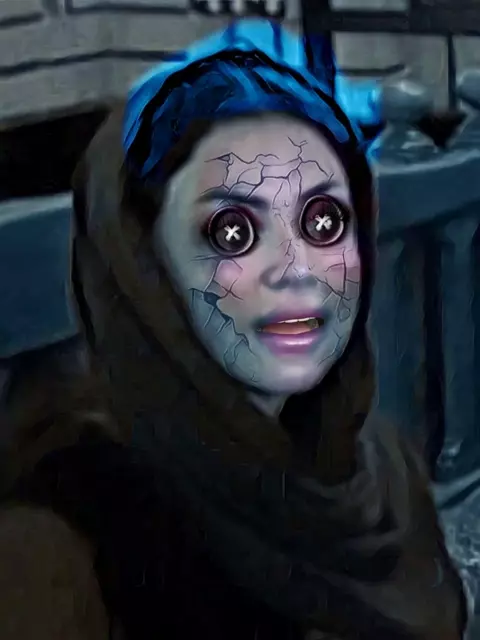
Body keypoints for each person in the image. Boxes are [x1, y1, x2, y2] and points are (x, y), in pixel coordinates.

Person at [0, 19, 467, 640]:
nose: (297, 269)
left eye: (323, 222)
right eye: (233, 232)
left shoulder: (377, 468)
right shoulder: (63, 543)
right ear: (145, 265)